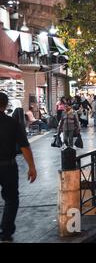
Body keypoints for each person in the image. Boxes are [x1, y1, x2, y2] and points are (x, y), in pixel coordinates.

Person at [0, 93, 37, 242]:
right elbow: (24, 146)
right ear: (6, 105)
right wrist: (32, 167)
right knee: (11, 199)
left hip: (8, 165)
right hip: (8, 166)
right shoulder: (12, 123)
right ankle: (6, 231)